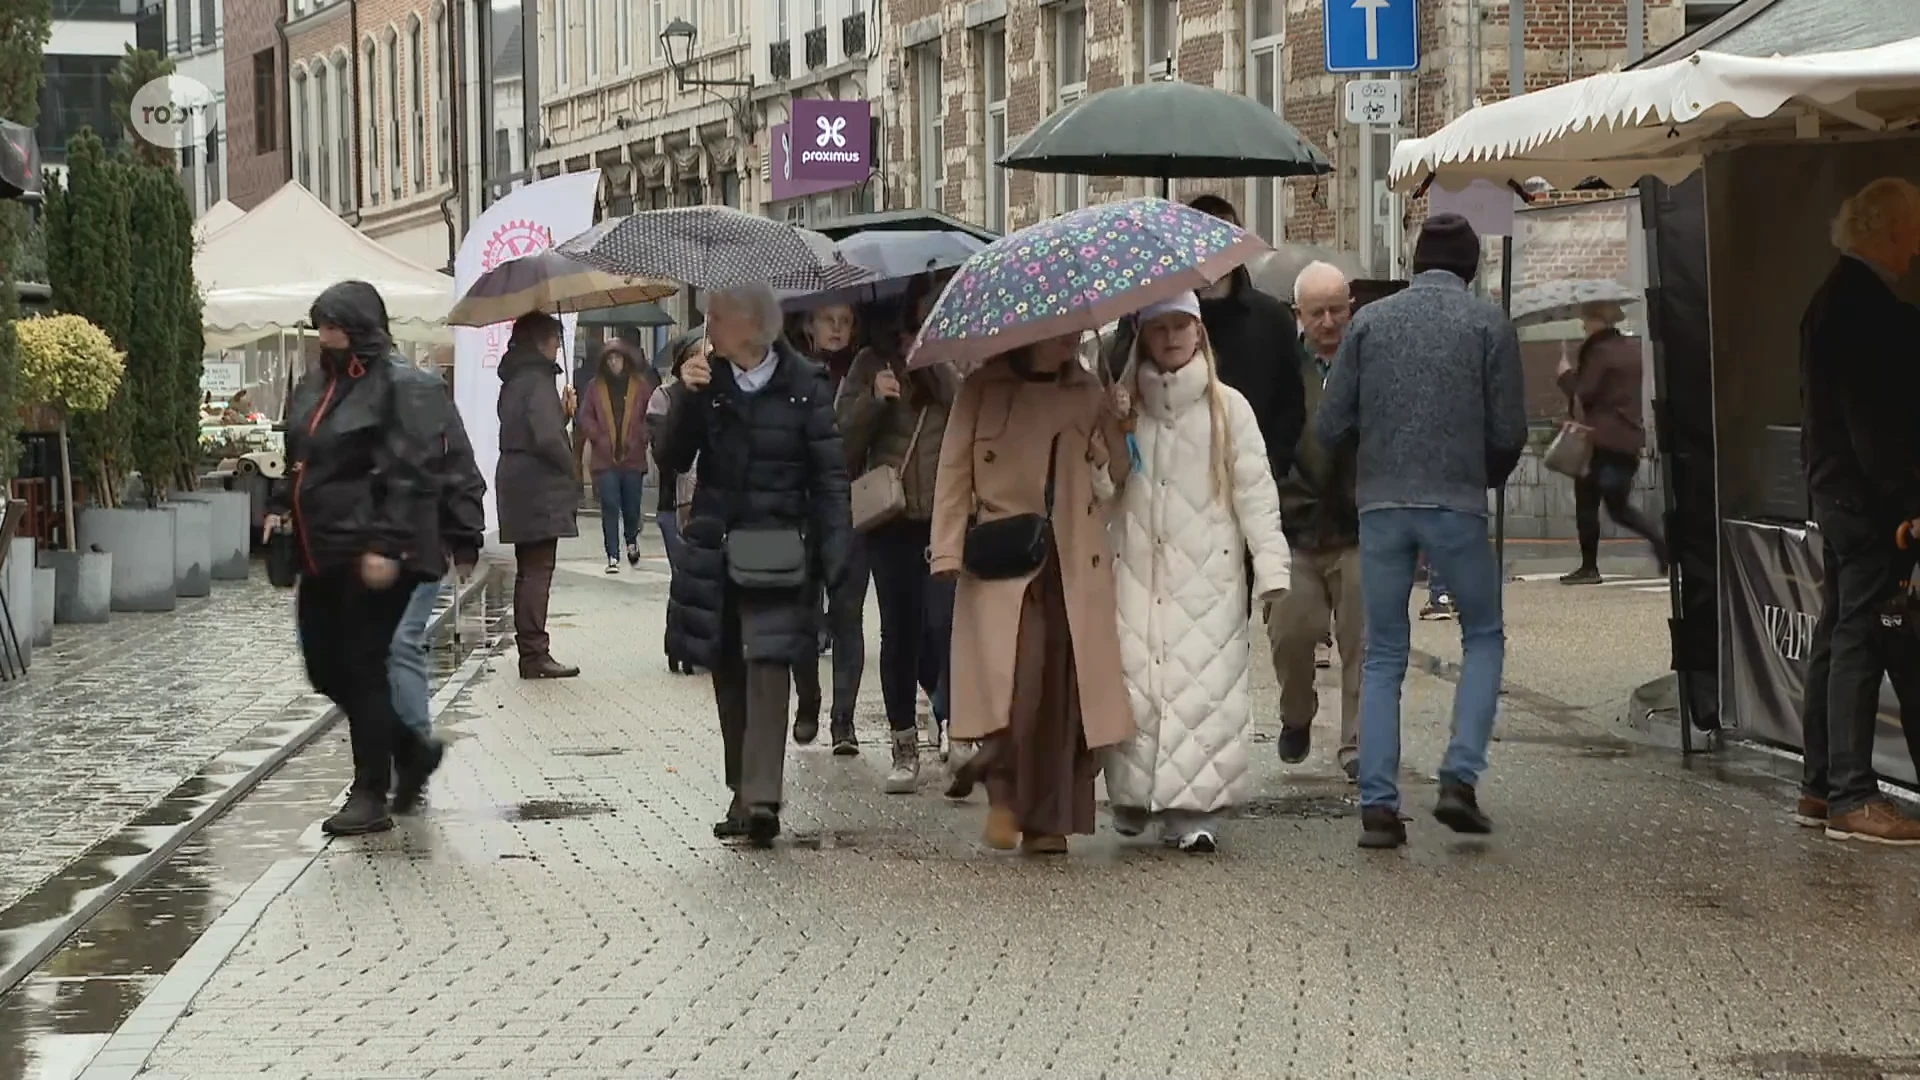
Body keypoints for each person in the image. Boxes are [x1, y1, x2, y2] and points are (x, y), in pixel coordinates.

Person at [1317, 212, 1527, 850]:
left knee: (1383, 652)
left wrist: (1374, 452)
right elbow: (1508, 431)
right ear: (1470, 269)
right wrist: (1480, 475)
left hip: (1380, 503)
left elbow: (1330, 424)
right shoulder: (1489, 323)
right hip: (1457, 500)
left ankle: (1378, 805)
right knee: (1483, 634)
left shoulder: (1370, 323)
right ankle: (1459, 776)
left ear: (1413, 264)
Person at [654, 283, 852, 848]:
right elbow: (672, 460)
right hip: (717, 546)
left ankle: (762, 796)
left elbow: (830, 477)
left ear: (749, 326)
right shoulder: (707, 382)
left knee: (767, 664)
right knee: (729, 671)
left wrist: (836, 550)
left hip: (779, 547)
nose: (706, 325)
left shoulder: (805, 386)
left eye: (714, 316)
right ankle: (742, 789)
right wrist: (685, 397)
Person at [265, 280, 458, 836]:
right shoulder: (313, 384)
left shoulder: (400, 387)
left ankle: (370, 791)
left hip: (374, 551)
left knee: (363, 666)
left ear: (359, 328)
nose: (325, 336)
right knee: (325, 666)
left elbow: (413, 471)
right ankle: (410, 751)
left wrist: (387, 545)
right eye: (320, 325)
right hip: (319, 549)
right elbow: (299, 454)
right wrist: (280, 504)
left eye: (334, 326)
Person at [1103, 293, 1290, 853]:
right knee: (1137, 683)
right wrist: (1109, 429)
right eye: (1160, 328)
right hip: (1137, 568)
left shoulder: (1229, 408)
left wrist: (1273, 565)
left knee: (1201, 690)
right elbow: (1100, 488)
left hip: (1208, 575)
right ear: (1143, 336)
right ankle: (1133, 797)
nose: (1172, 338)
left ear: (1201, 333)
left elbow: (1256, 490)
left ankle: (1193, 811)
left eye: (1183, 326)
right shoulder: (1126, 405)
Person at [935, 331, 1132, 855]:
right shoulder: (981, 389)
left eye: (1073, 329)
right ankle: (1002, 785)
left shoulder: (1088, 390)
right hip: (1005, 558)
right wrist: (946, 550)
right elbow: (953, 470)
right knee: (1017, 686)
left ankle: (1050, 819)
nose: (1067, 339)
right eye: (1056, 330)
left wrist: (1115, 424)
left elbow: (1120, 473)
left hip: (1072, 561)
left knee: (1065, 694)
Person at [1796, 177, 1920, 845]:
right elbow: (1875, 423)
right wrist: (1906, 503)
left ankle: (1820, 785)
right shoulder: (1863, 305)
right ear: (1891, 231)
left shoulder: (1835, 296)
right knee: (1859, 637)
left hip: (1838, 490)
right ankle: (1851, 793)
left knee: (1838, 632)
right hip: (1865, 499)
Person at [837, 281, 959, 792]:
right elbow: (840, 442)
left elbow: (968, 420)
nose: (931, 316)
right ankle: (903, 744)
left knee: (943, 627)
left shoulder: (952, 358)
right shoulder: (870, 363)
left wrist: (940, 367)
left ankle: (950, 719)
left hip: (943, 517)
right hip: (890, 520)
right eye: (925, 308)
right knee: (899, 633)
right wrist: (873, 400)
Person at [386, 326, 487, 814]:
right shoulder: (336, 397)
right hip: (358, 553)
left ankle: (411, 755)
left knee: (401, 641)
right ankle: (388, 758)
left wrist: (465, 538)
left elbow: (460, 468)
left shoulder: (424, 395)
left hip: (419, 545)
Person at [1271, 262, 1363, 780]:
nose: (1330, 321)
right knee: (1291, 633)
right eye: (1318, 312)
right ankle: (1296, 716)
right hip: (1297, 528)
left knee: (1363, 641)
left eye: (1338, 309)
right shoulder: (1286, 368)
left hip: (1356, 527)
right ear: (1298, 315)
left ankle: (1357, 746)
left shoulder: (1366, 359)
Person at [1555, 300, 1669, 584]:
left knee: (1588, 504)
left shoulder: (1599, 352)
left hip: (1598, 440)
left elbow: (1585, 392)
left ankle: (1590, 567)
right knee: (1618, 507)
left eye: (1586, 320)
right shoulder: (1631, 350)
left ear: (1597, 321)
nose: (1583, 325)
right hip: (1627, 440)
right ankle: (1659, 542)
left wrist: (1565, 374)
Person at [792, 302, 864, 750]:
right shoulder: (790, 374)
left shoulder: (864, 371)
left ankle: (844, 720)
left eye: (845, 322)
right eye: (828, 320)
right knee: (801, 614)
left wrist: (871, 399)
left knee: (847, 614)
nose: (837, 329)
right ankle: (808, 701)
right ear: (808, 325)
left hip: (850, 507)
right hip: (800, 510)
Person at [496, 311, 582, 680]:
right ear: (540, 341)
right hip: (536, 483)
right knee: (537, 570)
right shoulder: (537, 379)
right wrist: (572, 469)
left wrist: (562, 414)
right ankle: (534, 653)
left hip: (517, 478)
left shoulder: (515, 378)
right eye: (553, 340)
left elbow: (531, 428)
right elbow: (546, 439)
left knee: (528, 568)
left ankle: (531, 650)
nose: (557, 348)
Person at [650, 331, 706, 675]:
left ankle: (704, 644)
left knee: (704, 577)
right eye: (697, 354)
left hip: (709, 501)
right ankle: (683, 645)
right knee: (684, 577)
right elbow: (663, 454)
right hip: (675, 502)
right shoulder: (665, 396)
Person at [577, 340, 651, 573]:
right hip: (604, 458)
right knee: (609, 505)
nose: (613, 363)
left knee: (631, 506)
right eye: (609, 359)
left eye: (617, 358)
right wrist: (598, 436)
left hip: (633, 456)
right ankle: (612, 555)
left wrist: (641, 436)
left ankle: (631, 540)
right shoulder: (594, 387)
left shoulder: (639, 386)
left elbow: (651, 414)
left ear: (625, 360)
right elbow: (585, 416)